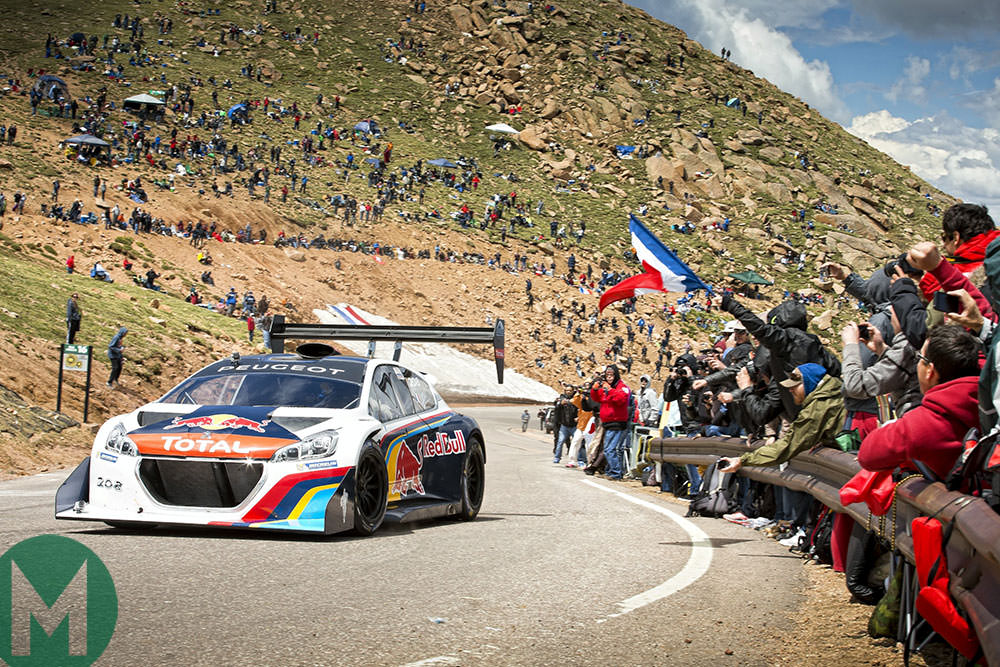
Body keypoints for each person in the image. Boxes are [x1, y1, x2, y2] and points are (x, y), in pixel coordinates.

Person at [858, 325, 981, 480]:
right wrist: (882, 350)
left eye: (919, 358)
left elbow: (867, 455)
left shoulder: (925, 423)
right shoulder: (988, 391)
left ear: (930, 370)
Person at [590, 365, 631, 480]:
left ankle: (616, 472)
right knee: (608, 449)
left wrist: (610, 390)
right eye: (607, 375)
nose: (609, 377)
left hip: (617, 422)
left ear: (616, 375)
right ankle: (612, 471)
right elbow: (597, 398)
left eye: (611, 375)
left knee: (609, 450)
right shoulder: (606, 388)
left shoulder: (622, 387)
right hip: (607, 423)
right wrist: (595, 389)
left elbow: (621, 399)